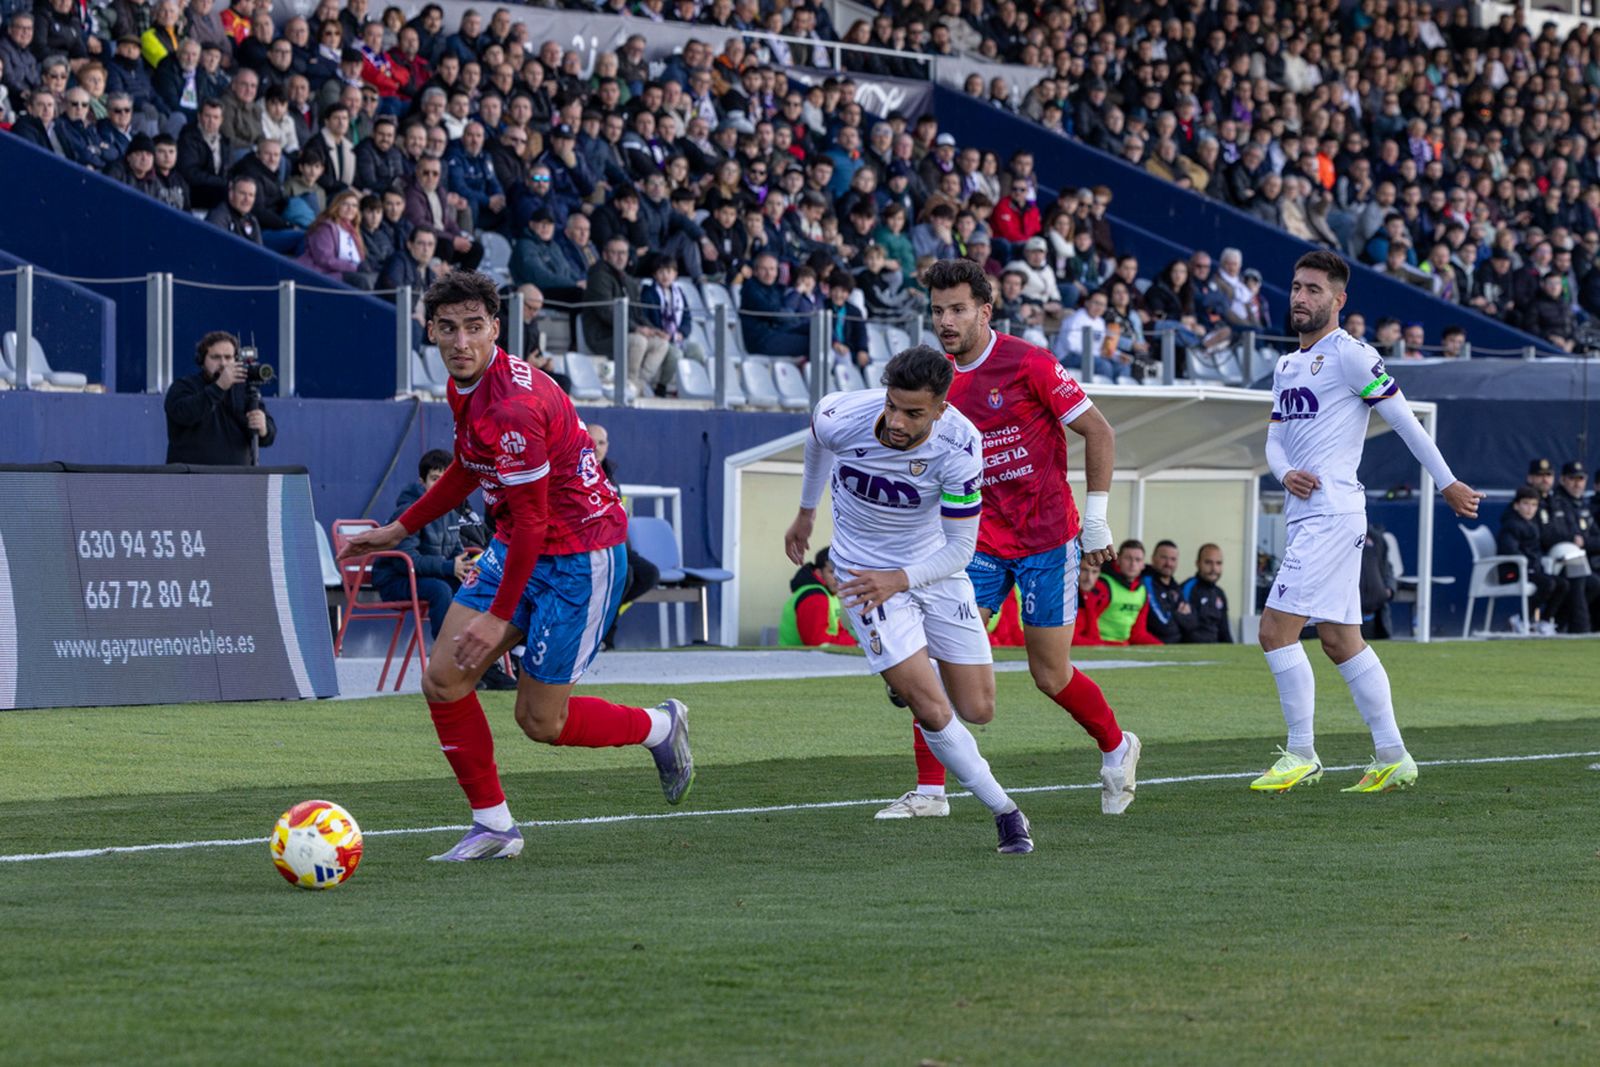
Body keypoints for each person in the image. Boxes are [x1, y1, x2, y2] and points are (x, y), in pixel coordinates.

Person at [336, 271, 694, 863]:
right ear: (430, 331)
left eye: (474, 328)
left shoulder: (515, 407)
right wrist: (398, 529)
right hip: (519, 542)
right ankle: (494, 826)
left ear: (496, 330)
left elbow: (533, 519)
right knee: (443, 680)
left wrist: (495, 617)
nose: (461, 342)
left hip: (581, 555)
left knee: (540, 721)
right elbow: (467, 468)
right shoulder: (465, 387)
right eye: (448, 328)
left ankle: (659, 726)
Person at [891, 258, 1139, 820]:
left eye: (956, 309)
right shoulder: (936, 378)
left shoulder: (1029, 362)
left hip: (1048, 539)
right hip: (976, 543)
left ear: (985, 309)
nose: (946, 321)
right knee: (937, 659)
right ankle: (931, 790)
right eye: (936, 311)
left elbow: (1098, 430)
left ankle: (1117, 745)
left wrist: (1096, 520)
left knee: (1049, 674)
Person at [784, 346, 1035, 854]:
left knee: (980, 708)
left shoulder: (961, 446)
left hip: (932, 571)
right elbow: (816, 443)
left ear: (941, 408)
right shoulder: (843, 414)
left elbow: (962, 548)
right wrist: (807, 512)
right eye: (892, 406)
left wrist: (901, 578)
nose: (896, 422)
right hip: (862, 577)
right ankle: (1007, 813)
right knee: (933, 708)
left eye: (913, 413)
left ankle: (911, 671)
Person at [1255, 250, 1483, 794]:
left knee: (1273, 630)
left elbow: (1406, 424)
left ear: (1339, 299)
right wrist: (1285, 473)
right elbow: (1274, 439)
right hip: (1306, 510)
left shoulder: (1353, 356)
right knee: (1338, 638)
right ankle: (1393, 755)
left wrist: (1446, 481)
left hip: (1332, 514)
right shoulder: (1287, 365)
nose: (1300, 298)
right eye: (1295, 287)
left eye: (1313, 289)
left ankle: (1302, 752)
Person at [373, 449, 517, 690]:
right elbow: (405, 560)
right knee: (441, 590)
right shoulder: (406, 511)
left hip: (428, 577)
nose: (439, 485)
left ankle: (483, 664)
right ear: (422, 482)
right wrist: (450, 566)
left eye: (445, 479)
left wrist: (463, 566)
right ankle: (450, 662)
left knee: (471, 587)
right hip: (396, 580)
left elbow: (454, 552)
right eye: (434, 479)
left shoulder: (451, 512)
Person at [164, 330, 276, 465]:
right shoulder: (184, 386)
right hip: (192, 479)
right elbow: (184, 414)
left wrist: (264, 429)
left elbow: (268, 435)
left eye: (228, 357)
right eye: (216, 357)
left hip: (238, 480)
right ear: (202, 360)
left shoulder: (245, 389)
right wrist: (219, 387)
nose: (223, 363)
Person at [779, 545, 855, 647]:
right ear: (819, 573)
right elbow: (817, 642)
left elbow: (837, 631)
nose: (838, 578)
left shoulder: (828, 594)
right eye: (832, 572)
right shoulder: (815, 597)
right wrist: (853, 644)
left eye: (842, 572)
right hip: (799, 660)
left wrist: (854, 643)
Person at [1093, 540, 1163, 645]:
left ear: (1143, 565)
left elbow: (1138, 634)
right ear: (1118, 560)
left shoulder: (1142, 591)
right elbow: (1087, 626)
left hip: (1123, 646)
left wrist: (1161, 647)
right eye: (1128, 558)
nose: (1133, 564)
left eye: (1138, 560)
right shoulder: (1102, 585)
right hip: (1098, 645)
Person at [1178, 543, 1233, 643]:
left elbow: (1224, 632)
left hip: (1215, 651)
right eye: (1208, 562)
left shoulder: (1220, 593)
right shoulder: (1187, 588)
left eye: (1218, 563)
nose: (1214, 568)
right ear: (1197, 563)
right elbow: (1183, 628)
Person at [1142, 539, 1184, 644]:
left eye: (1173, 559)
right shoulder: (1146, 581)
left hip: (1176, 644)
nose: (1168, 563)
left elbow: (1192, 622)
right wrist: (1179, 615)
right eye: (1164, 558)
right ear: (1153, 559)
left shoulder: (1175, 586)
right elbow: (1163, 625)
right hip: (1154, 644)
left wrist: (1173, 616)